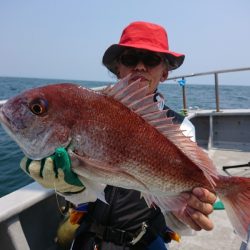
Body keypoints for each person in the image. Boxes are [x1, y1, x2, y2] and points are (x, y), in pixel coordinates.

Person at [21, 21, 216, 250]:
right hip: (90, 238)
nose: (140, 67)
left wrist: (181, 216)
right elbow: (85, 193)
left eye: (151, 60)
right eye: (130, 58)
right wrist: (68, 187)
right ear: (118, 69)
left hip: (145, 239)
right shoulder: (88, 111)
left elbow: (177, 217)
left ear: (164, 73)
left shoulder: (179, 127)